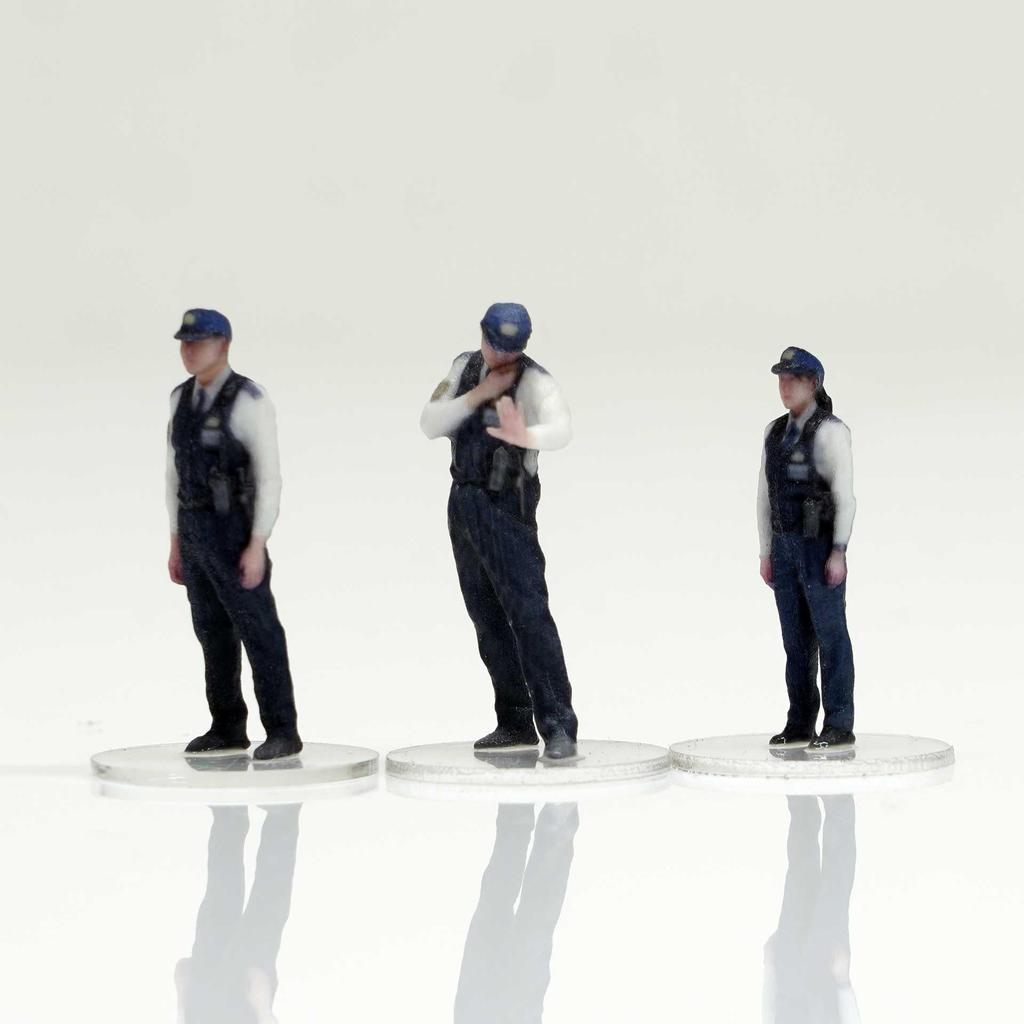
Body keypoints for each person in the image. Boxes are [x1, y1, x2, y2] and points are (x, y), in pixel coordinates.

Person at [420, 302, 579, 760]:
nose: (501, 356)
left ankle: (559, 725)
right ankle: (513, 720)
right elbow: (430, 423)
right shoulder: (463, 367)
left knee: (529, 615)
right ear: (483, 335)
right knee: (486, 617)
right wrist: (477, 395)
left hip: (509, 504)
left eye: (511, 350)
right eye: (495, 346)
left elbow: (562, 429)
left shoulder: (535, 381)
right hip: (464, 499)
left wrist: (525, 437)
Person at [167, 308, 302, 761]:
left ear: (223, 345)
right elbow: (172, 474)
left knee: (259, 631)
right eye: (185, 343)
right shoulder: (179, 399)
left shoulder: (249, 400)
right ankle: (226, 725)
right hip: (193, 527)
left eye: (199, 342)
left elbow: (269, 477)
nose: (190, 351)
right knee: (212, 632)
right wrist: (175, 540)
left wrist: (257, 543)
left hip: (234, 530)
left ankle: (282, 729)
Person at [757, 347, 856, 749]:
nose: (784, 387)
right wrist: (766, 551)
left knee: (830, 637)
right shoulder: (773, 432)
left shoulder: (831, 431)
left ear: (813, 384)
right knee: (795, 642)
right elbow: (763, 496)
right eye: (781, 379)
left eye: (793, 379)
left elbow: (845, 497)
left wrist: (838, 551)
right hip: (784, 546)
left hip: (818, 547)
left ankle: (839, 723)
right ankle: (800, 720)